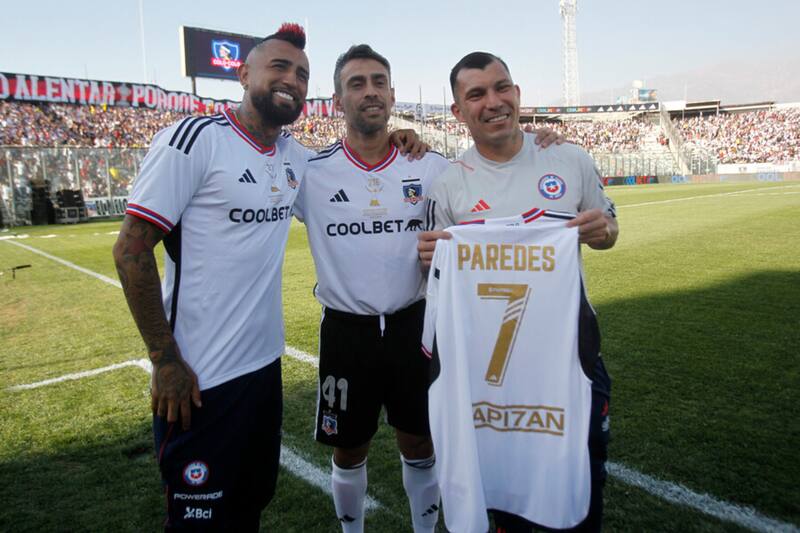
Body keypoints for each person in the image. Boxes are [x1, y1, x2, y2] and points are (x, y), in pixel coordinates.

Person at [112, 24, 425, 531]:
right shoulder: (194, 140)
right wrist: (164, 359)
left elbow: (361, 168)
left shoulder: (296, 159)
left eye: (301, 74)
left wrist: (403, 139)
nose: (291, 80)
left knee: (249, 506)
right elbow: (130, 251)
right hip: (199, 377)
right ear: (243, 74)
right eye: (279, 67)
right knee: (199, 521)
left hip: (263, 371)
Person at [294, 45, 563, 533]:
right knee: (348, 448)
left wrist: (539, 141)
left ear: (392, 95)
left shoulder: (431, 166)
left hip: (415, 327)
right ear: (336, 101)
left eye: (379, 82)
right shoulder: (310, 173)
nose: (370, 92)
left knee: (420, 442)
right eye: (357, 83)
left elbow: (493, 186)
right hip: (346, 332)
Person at [417, 52, 618, 532]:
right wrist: (431, 256)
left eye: (501, 87)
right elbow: (435, 276)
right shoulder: (448, 185)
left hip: (569, 353)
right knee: (505, 487)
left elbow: (610, 229)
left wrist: (602, 230)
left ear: (517, 93)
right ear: (458, 111)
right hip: (491, 369)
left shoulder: (568, 158)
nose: (494, 102)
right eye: (477, 94)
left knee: (581, 480)